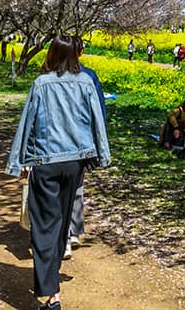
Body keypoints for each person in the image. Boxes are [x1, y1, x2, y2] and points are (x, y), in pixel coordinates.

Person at [6, 38, 110, 310]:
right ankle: (52, 291)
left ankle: (52, 295)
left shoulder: (42, 83)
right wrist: (101, 154)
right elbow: (98, 120)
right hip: (75, 163)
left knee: (44, 227)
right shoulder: (86, 82)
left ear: (52, 54)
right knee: (62, 224)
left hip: (46, 161)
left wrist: (19, 162)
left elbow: (28, 122)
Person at [68, 37, 108, 252]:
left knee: (58, 189)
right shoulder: (89, 76)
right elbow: (99, 111)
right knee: (77, 187)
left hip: (57, 142)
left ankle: (65, 234)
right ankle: (73, 231)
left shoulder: (49, 76)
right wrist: (99, 143)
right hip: (82, 141)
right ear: (81, 52)